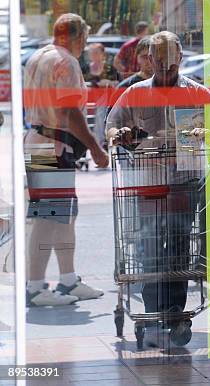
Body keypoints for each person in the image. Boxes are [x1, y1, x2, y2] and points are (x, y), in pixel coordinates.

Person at [106, 31, 210, 346]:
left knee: (181, 247)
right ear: (150, 59)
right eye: (160, 60)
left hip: (183, 184)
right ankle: (157, 310)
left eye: (171, 60)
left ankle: (173, 311)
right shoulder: (134, 94)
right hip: (147, 184)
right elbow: (112, 126)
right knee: (150, 247)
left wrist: (207, 133)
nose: (166, 66)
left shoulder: (198, 93)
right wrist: (121, 133)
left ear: (180, 58)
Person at [23, 13, 109, 306]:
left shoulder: (38, 57)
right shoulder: (66, 62)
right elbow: (70, 112)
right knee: (49, 218)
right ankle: (35, 287)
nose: (85, 44)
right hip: (53, 146)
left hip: (39, 142)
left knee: (60, 216)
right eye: (84, 37)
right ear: (77, 36)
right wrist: (96, 148)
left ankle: (67, 280)